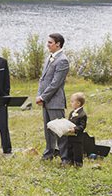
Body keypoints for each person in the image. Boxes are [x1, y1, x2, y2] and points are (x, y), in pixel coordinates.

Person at [36, 33, 70, 164]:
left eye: (50, 42)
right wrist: (39, 95)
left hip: (55, 102)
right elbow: (43, 79)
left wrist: (43, 97)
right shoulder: (49, 57)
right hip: (46, 101)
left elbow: (56, 83)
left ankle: (65, 157)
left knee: (59, 130)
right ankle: (48, 153)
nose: (47, 44)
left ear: (58, 44)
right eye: (48, 42)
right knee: (48, 129)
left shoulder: (62, 60)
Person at [66, 92, 87, 167]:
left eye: (72, 101)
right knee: (70, 149)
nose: (71, 103)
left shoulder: (82, 114)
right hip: (70, 136)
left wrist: (75, 129)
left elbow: (82, 126)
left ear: (78, 103)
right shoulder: (72, 112)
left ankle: (78, 164)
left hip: (77, 137)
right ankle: (70, 162)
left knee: (77, 151)